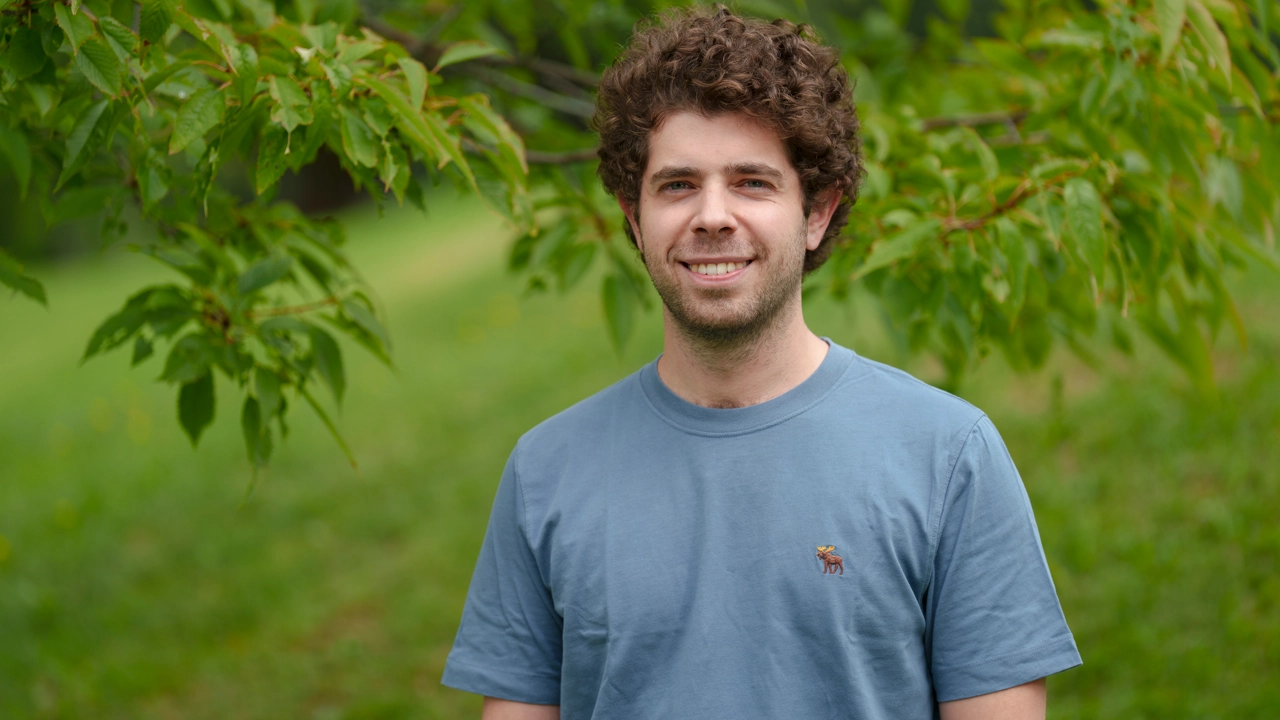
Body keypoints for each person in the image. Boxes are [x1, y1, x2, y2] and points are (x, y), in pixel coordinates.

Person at [441, 7, 1081, 719]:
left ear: (816, 212)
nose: (712, 216)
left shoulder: (948, 457)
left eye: (752, 182)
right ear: (633, 216)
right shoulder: (546, 473)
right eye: (678, 185)